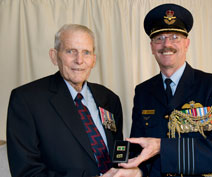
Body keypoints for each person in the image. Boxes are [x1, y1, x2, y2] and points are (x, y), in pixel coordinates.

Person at [119, 3, 212, 177]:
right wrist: (136, 171)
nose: (166, 44)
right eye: (159, 38)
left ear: (186, 43)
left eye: (175, 37)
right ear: (152, 47)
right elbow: (140, 149)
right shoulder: (143, 91)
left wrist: (162, 147)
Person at [7, 24, 126, 177]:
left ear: (94, 60)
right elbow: (26, 171)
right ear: (54, 56)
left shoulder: (109, 98)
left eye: (86, 52)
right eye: (71, 51)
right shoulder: (26, 100)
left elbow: (117, 152)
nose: (79, 60)